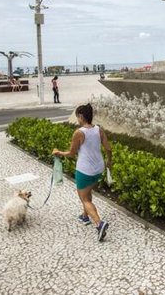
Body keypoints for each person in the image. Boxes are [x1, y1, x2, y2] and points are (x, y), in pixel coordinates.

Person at [53, 103, 112, 242]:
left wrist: (58, 153)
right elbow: (109, 148)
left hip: (85, 170)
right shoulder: (99, 129)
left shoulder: (79, 132)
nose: (77, 120)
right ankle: (85, 216)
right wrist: (109, 162)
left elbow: (72, 153)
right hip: (99, 168)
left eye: (77, 117)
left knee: (84, 198)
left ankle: (99, 224)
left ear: (81, 116)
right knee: (87, 192)